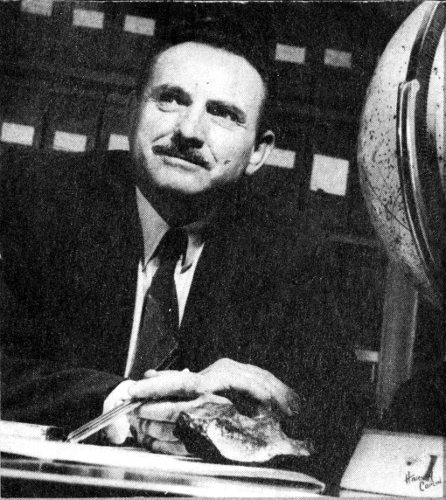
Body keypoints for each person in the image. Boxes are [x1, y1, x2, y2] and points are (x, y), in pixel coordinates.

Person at [0, 13, 364, 486]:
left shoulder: (294, 254)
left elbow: (337, 421)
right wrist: (124, 401)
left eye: (224, 114)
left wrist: (267, 417)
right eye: (170, 99)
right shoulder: (35, 199)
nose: (190, 130)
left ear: (258, 151)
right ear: (132, 111)